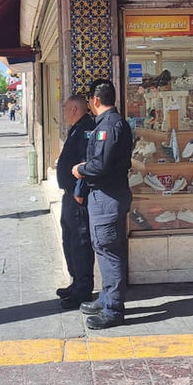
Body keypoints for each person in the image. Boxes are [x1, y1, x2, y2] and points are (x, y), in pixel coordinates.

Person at [70, 80, 133, 329]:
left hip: (108, 196)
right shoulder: (111, 123)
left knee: (109, 251)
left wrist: (79, 169)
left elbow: (100, 165)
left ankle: (113, 309)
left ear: (96, 100)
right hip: (106, 195)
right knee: (104, 247)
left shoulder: (109, 126)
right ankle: (106, 298)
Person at [55, 95, 97, 310]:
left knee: (80, 242)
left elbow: (86, 162)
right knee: (69, 239)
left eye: (65, 109)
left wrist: (79, 192)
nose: (62, 113)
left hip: (77, 195)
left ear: (74, 110)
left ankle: (83, 290)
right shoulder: (77, 127)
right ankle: (75, 282)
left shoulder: (87, 129)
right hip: (69, 194)